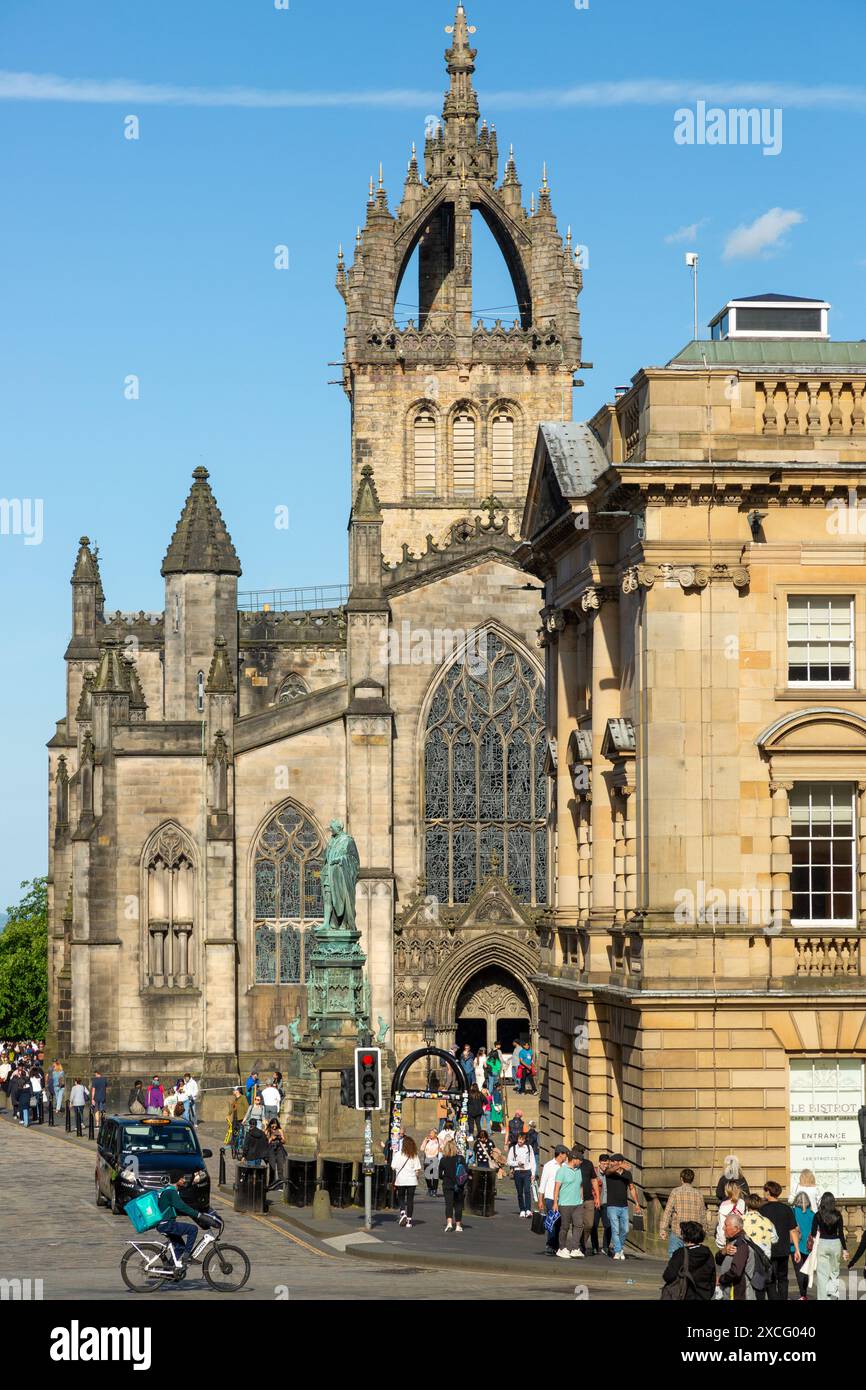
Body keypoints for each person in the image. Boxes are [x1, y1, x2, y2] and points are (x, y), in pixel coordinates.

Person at [152, 1177, 203, 1270]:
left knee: (180, 1247)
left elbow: (181, 1203)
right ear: (177, 1180)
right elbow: (181, 1206)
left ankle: (168, 1270)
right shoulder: (171, 1192)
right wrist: (199, 1215)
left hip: (163, 1224)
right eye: (182, 1178)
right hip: (167, 1224)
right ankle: (186, 1257)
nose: (184, 1180)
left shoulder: (166, 1190)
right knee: (193, 1229)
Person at [760, 1181, 800, 1301]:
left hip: (768, 1249)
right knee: (783, 1278)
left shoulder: (762, 1210)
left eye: (765, 1190)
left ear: (768, 1192)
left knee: (771, 1279)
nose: (764, 1193)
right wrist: (797, 1249)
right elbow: (793, 1231)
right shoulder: (786, 1209)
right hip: (783, 1249)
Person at [661, 1220, 716, 1300]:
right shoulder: (708, 1252)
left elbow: (668, 1276)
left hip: (684, 1295)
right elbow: (712, 1278)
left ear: (686, 1236)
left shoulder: (680, 1253)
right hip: (704, 1295)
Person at [660, 1168, 707, 1258]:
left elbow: (668, 1211)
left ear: (681, 1179)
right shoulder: (699, 1194)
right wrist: (703, 1230)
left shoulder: (675, 1192)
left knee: (674, 1257)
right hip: (693, 1234)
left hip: (678, 1230)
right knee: (691, 1259)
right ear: (692, 1180)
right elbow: (702, 1214)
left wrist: (663, 1229)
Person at [809, 1190, 848, 1300]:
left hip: (822, 1243)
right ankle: (833, 1297)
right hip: (835, 1243)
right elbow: (840, 1233)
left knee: (822, 1275)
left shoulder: (818, 1215)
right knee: (834, 1273)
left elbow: (812, 1233)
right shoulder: (838, 1214)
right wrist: (845, 1249)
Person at [606, 1154, 641, 1260]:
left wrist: (637, 1203)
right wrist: (619, 1166)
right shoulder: (610, 1172)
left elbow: (632, 1188)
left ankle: (619, 1248)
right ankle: (617, 1251)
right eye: (611, 1161)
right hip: (612, 1206)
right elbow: (608, 1171)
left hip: (624, 1206)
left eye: (614, 1161)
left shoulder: (627, 1174)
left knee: (625, 1230)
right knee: (615, 1229)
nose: (611, 1163)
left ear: (620, 1161)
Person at [553, 1148, 585, 1259]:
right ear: (574, 1159)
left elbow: (581, 1185)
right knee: (565, 1227)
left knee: (579, 1225)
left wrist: (582, 1198)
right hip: (565, 1204)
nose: (581, 1162)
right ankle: (561, 1248)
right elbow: (557, 1188)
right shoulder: (562, 1170)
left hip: (578, 1204)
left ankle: (575, 1248)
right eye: (580, 1160)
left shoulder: (579, 1170)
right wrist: (555, 1203)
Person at [715, 1211, 753, 1301]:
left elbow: (736, 1272)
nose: (723, 1228)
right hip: (733, 1292)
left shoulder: (741, 1244)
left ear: (736, 1228)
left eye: (726, 1225)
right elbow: (718, 1260)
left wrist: (720, 1279)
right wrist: (723, 1251)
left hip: (739, 1293)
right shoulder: (733, 1241)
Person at [538, 1145, 569, 1255]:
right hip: (550, 1198)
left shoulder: (565, 1166)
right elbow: (542, 1184)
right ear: (560, 1154)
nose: (566, 1156)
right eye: (565, 1154)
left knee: (560, 1224)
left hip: (563, 1199)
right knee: (552, 1222)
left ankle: (557, 1245)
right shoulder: (549, 1165)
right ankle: (550, 1245)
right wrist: (540, 1200)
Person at [573, 1146, 601, 1255]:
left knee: (589, 1224)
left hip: (589, 1198)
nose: (581, 1154)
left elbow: (594, 1180)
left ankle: (582, 1243)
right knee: (577, 1224)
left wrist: (597, 1197)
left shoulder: (588, 1164)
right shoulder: (571, 1164)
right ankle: (578, 1246)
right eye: (579, 1152)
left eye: (582, 1153)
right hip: (575, 1199)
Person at [392, 1135, 421, 1228]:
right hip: (412, 1180)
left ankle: (402, 1211)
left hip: (401, 1179)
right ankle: (409, 1221)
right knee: (410, 1200)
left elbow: (393, 1166)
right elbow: (417, 1169)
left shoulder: (398, 1154)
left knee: (400, 1197)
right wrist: (417, 1177)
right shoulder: (414, 1155)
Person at [506, 1130, 536, 1217]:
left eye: (522, 1140)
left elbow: (532, 1161)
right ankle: (522, 1209)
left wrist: (533, 1173)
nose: (520, 1141)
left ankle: (528, 1209)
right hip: (518, 1171)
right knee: (520, 1192)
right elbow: (509, 1161)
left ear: (525, 1140)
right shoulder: (513, 1148)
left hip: (527, 1171)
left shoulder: (528, 1148)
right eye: (519, 1139)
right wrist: (517, 1163)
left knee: (527, 1191)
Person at [439, 1139, 466, 1233]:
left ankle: (449, 1223)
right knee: (458, 1205)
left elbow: (439, 1174)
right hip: (459, 1185)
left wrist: (445, 1177)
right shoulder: (460, 1158)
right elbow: (465, 1171)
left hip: (447, 1184)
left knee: (449, 1204)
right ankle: (458, 1225)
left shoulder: (443, 1160)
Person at [790, 1193, 814, 1300]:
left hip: (795, 1247)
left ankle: (802, 1295)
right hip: (809, 1246)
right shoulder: (812, 1214)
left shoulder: (793, 1212)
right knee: (807, 1271)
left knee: (799, 1271)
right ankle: (804, 1293)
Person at [743, 1192, 777, 1262]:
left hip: (746, 1256)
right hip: (764, 1257)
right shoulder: (767, 1221)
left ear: (747, 1205)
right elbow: (774, 1239)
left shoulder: (741, 1220)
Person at [714, 1180, 747, 1248]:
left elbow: (722, 1226)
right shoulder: (743, 1203)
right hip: (741, 1238)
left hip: (728, 1239)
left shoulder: (724, 1205)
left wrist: (720, 1243)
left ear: (726, 1191)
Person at [594, 1154, 612, 1256]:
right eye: (604, 1164)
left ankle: (605, 1247)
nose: (605, 1166)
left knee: (608, 1226)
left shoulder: (609, 1173)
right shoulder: (595, 1172)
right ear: (599, 1162)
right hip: (596, 1203)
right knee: (593, 1226)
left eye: (607, 1164)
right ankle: (595, 1247)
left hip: (606, 1203)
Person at [265, 1119, 288, 1188]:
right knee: (272, 1168)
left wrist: (281, 1138)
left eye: (275, 1125)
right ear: (270, 1124)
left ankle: (281, 1185)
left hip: (279, 1150)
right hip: (271, 1150)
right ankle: (271, 1184)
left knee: (280, 1168)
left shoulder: (280, 1130)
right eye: (273, 1125)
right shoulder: (268, 1131)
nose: (274, 1126)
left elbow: (284, 1141)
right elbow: (266, 1143)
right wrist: (271, 1138)